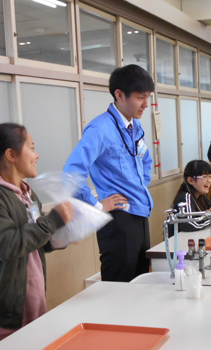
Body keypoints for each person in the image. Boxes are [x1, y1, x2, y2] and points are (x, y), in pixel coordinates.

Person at [0, 123, 73, 348]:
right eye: (32, 148)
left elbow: (35, 241)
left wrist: (66, 231)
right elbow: (8, 246)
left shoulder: (25, 192)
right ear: (11, 155)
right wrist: (52, 220)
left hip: (28, 304)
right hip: (0, 312)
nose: (37, 155)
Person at [63, 64, 155, 282]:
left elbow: (146, 161)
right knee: (119, 291)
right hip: (118, 221)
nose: (146, 104)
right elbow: (71, 173)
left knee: (140, 285)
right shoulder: (100, 129)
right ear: (120, 95)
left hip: (140, 216)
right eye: (141, 97)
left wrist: (138, 188)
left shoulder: (135, 127)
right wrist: (97, 206)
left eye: (148, 97)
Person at [170, 160, 211, 234]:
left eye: (210, 176)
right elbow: (190, 224)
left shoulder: (201, 196)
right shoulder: (185, 197)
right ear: (190, 180)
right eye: (205, 177)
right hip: (178, 242)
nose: (210, 180)